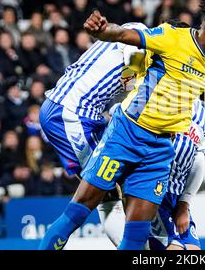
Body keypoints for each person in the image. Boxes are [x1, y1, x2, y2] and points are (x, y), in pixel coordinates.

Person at [39, 0, 205, 251]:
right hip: (126, 135)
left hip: (160, 150)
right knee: (79, 211)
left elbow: (196, 87)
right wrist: (102, 30)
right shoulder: (172, 37)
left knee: (137, 234)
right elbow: (124, 36)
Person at [39, 20, 150, 248]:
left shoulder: (130, 37)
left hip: (77, 112)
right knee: (98, 194)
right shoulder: (140, 34)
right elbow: (133, 61)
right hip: (71, 113)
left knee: (108, 190)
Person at [150, 62, 205, 250]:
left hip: (177, 197)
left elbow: (198, 160)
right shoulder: (175, 98)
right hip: (156, 189)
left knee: (193, 249)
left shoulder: (204, 113)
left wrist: (184, 204)